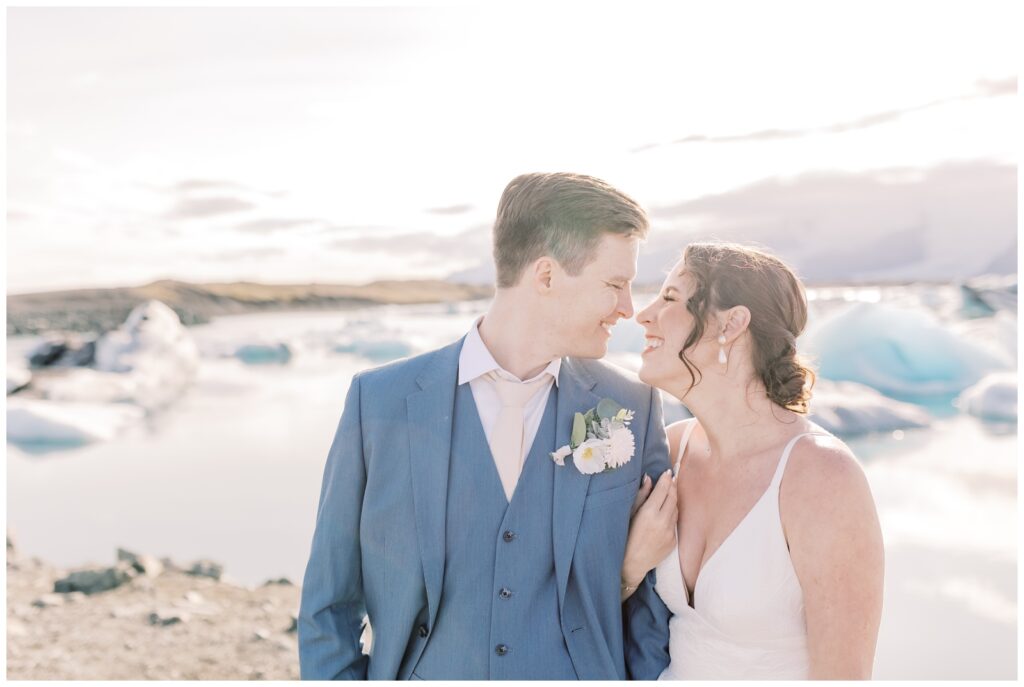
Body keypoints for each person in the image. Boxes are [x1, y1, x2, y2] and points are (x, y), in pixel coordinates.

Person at [298, 172, 672, 680]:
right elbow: (329, 603)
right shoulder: (379, 403)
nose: (628, 308)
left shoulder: (633, 405)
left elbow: (650, 607)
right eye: (614, 284)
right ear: (546, 276)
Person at [621, 242, 884, 680]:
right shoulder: (670, 450)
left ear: (731, 324)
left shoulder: (822, 477)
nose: (642, 315)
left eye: (669, 298)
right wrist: (629, 567)